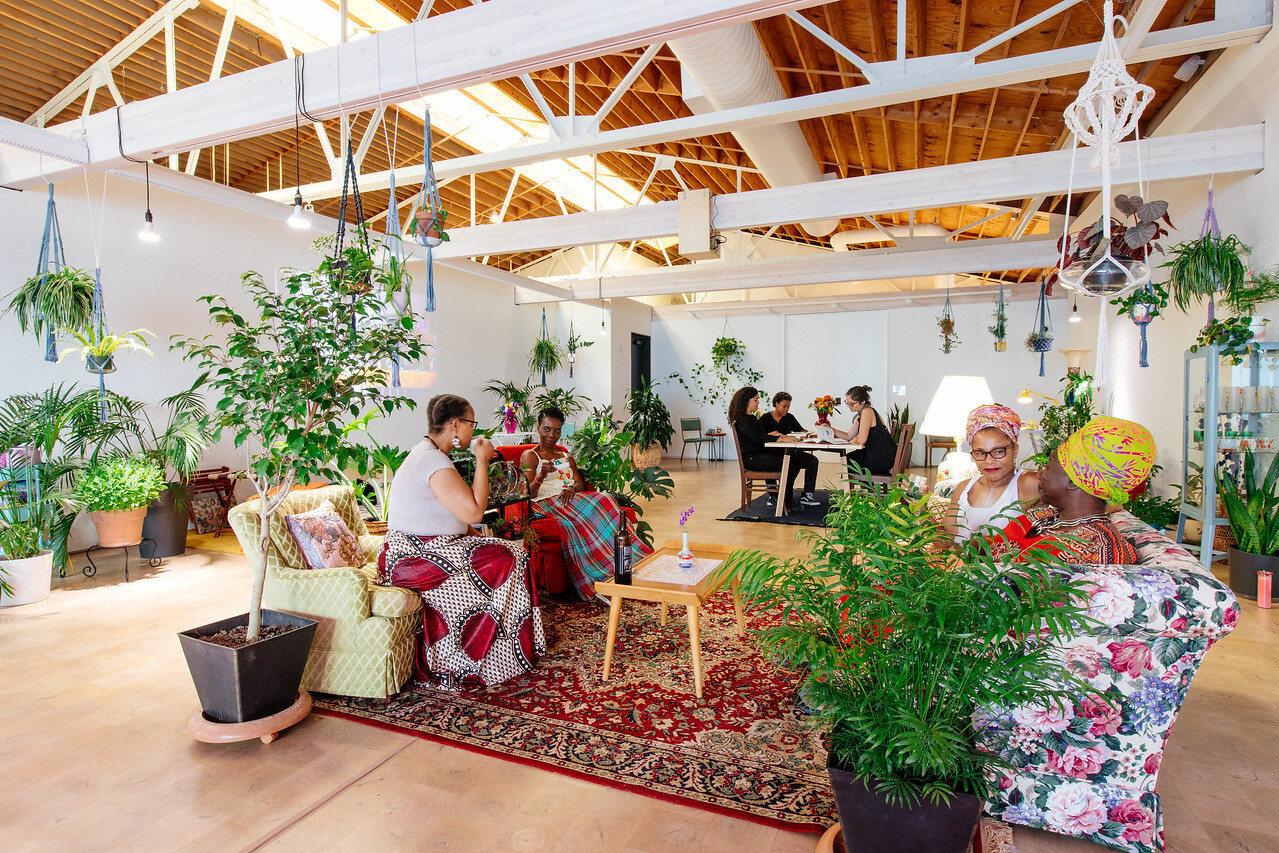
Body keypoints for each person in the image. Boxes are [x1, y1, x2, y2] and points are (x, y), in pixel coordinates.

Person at [381, 394, 545, 691]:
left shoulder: (431, 454)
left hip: (431, 547)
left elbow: (456, 514)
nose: (473, 431)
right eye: (471, 423)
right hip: (416, 556)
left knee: (510, 551)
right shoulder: (432, 460)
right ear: (455, 424)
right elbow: (473, 510)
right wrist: (481, 460)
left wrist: (474, 534)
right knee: (509, 558)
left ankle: (501, 648)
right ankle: (481, 656)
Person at [519, 407, 652, 600]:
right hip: (545, 503)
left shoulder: (565, 456)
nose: (552, 435)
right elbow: (527, 494)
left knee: (605, 498)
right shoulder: (531, 456)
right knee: (599, 502)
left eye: (556, 430)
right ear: (538, 428)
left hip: (568, 498)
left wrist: (571, 489)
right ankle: (602, 570)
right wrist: (541, 475)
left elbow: (579, 483)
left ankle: (628, 563)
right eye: (547, 429)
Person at [990, 416, 1154, 565]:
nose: (1040, 474)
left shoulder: (1082, 551)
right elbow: (989, 545)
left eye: (1048, 466)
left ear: (1073, 481)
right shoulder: (1049, 516)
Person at [947, 404, 1040, 542]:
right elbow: (943, 541)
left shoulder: (1028, 484)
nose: (989, 461)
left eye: (998, 451)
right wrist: (920, 508)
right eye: (980, 453)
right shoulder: (964, 488)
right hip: (957, 562)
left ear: (1015, 450)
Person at [728, 386, 820, 510]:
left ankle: (784, 499)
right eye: (755, 400)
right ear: (746, 401)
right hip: (753, 459)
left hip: (757, 455)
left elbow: (757, 435)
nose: (758, 402)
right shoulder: (744, 419)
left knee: (793, 462)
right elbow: (759, 438)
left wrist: (771, 435)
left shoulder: (749, 418)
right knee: (791, 464)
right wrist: (781, 438)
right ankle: (785, 501)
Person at [833, 385, 897, 477]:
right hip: (883, 456)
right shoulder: (862, 413)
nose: (848, 406)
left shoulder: (867, 412)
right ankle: (868, 488)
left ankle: (867, 488)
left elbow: (861, 440)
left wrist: (856, 439)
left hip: (881, 459)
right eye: (847, 402)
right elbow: (848, 436)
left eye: (852, 403)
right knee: (849, 458)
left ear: (862, 402)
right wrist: (831, 430)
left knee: (847, 461)